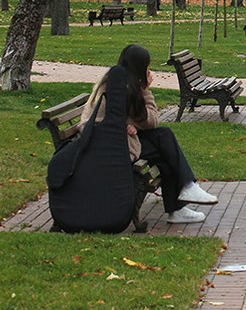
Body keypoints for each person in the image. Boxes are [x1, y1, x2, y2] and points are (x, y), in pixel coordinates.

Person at [80, 44, 218, 224]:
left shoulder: (119, 82)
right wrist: (145, 91)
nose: (148, 70)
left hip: (117, 140)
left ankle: (182, 200)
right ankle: (184, 194)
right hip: (109, 146)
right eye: (146, 66)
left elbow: (138, 120)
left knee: (164, 143)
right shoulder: (122, 88)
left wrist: (127, 124)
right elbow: (151, 121)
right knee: (163, 142)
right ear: (138, 67)